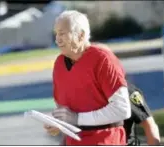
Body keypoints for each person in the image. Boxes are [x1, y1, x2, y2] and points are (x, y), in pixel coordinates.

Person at [44, 10, 131, 145]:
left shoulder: (103, 59)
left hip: (105, 141)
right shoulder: (59, 64)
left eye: (62, 33)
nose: (57, 39)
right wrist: (58, 124)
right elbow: (66, 112)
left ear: (81, 35)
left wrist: (77, 119)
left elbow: (122, 110)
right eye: (56, 34)